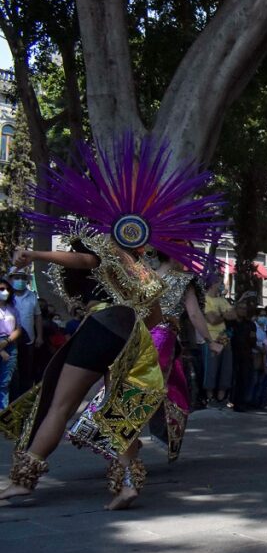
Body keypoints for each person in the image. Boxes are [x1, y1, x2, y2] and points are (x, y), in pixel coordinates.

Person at [0, 135, 225, 508]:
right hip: (134, 339)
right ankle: (126, 483)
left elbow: (83, 262)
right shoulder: (148, 277)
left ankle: (24, 480)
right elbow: (154, 320)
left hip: (103, 326)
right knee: (114, 411)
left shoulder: (108, 248)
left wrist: (37, 253)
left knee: (59, 403)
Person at [148, 255, 222, 460]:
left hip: (141, 336)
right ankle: (158, 434)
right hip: (163, 338)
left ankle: (105, 430)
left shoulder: (145, 275)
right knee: (164, 390)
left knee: (141, 386)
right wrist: (210, 341)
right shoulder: (182, 279)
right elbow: (195, 314)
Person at [5, 268, 41, 401]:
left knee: (27, 369)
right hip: (9, 340)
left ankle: (24, 399)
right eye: (16, 277)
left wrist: (39, 336)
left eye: (22, 277)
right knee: (11, 372)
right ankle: (10, 400)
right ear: (10, 279)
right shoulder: (5, 295)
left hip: (28, 340)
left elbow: (38, 317)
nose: (20, 280)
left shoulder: (32, 296)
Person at [203, 280, 234, 406]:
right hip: (211, 338)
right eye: (218, 282)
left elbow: (233, 315)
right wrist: (224, 314)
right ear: (212, 283)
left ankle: (221, 397)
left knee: (226, 367)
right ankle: (210, 397)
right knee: (211, 368)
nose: (221, 284)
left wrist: (221, 315)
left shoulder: (222, 300)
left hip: (225, 338)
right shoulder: (205, 299)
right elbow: (212, 320)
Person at [229, 292, 259, 412]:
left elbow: (253, 340)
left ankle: (242, 402)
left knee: (245, 379)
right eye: (240, 308)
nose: (243, 311)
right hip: (233, 352)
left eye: (244, 309)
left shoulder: (250, 324)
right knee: (232, 378)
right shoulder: (231, 322)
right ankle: (230, 400)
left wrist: (253, 338)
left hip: (246, 354)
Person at [0, 276, 22, 410]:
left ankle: (2, 415)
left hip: (10, 345)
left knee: (4, 384)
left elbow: (18, 329)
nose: (5, 292)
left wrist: (7, 342)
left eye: (7, 289)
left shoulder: (13, 308)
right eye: (2, 289)